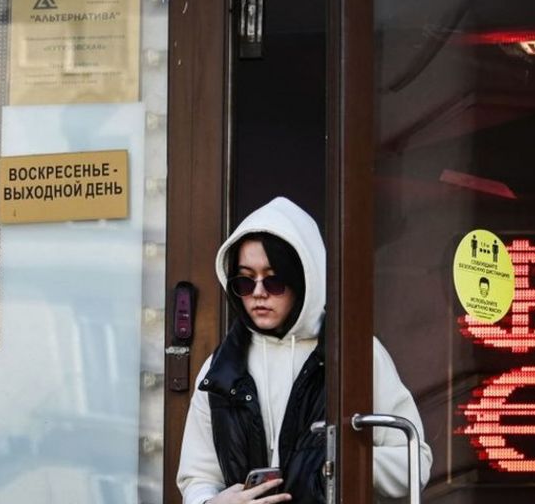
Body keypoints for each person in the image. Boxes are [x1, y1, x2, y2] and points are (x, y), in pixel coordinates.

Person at [177, 197, 432, 504]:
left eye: (274, 281)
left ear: (303, 279)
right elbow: (198, 475)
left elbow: (414, 462)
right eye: (244, 282)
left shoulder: (355, 355)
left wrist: (342, 464)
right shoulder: (220, 369)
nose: (258, 293)